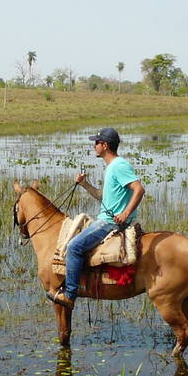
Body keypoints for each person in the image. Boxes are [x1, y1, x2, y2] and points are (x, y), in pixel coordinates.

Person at [47, 127, 145, 309]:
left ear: (105, 145)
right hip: (106, 219)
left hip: (109, 224)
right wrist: (84, 184)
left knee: (74, 247)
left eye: (96, 143)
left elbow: (139, 189)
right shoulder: (111, 168)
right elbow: (103, 197)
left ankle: (70, 294)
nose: (94, 146)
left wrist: (125, 214)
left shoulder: (119, 166)